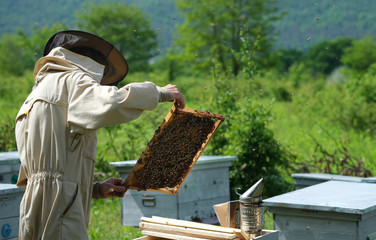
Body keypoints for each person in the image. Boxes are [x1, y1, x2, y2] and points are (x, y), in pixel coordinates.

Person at [15, 30, 185, 239]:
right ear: (88, 62)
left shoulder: (33, 96)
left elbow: (43, 172)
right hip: (60, 210)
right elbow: (113, 102)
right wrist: (161, 92)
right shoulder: (72, 81)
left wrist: (95, 189)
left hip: (31, 210)